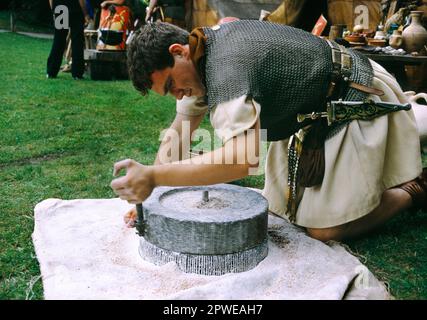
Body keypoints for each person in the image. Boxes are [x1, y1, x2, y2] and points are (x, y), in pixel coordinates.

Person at [111, 21, 426, 241]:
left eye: (171, 85)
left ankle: (415, 189)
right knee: (279, 212)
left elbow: (242, 159)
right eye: (168, 92)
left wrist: (153, 177)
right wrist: (151, 195)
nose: (177, 94)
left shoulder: (227, 65)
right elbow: (179, 134)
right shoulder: (201, 55)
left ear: (178, 51)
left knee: (324, 231)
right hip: (313, 112)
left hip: (357, 94)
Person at [46, 0, 91, 79]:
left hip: (60, 9)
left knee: (58, 40)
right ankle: (77, 73)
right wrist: (86, 14)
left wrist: (54, 11)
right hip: (75, 10)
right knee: (77, 41)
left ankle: (51, 72)